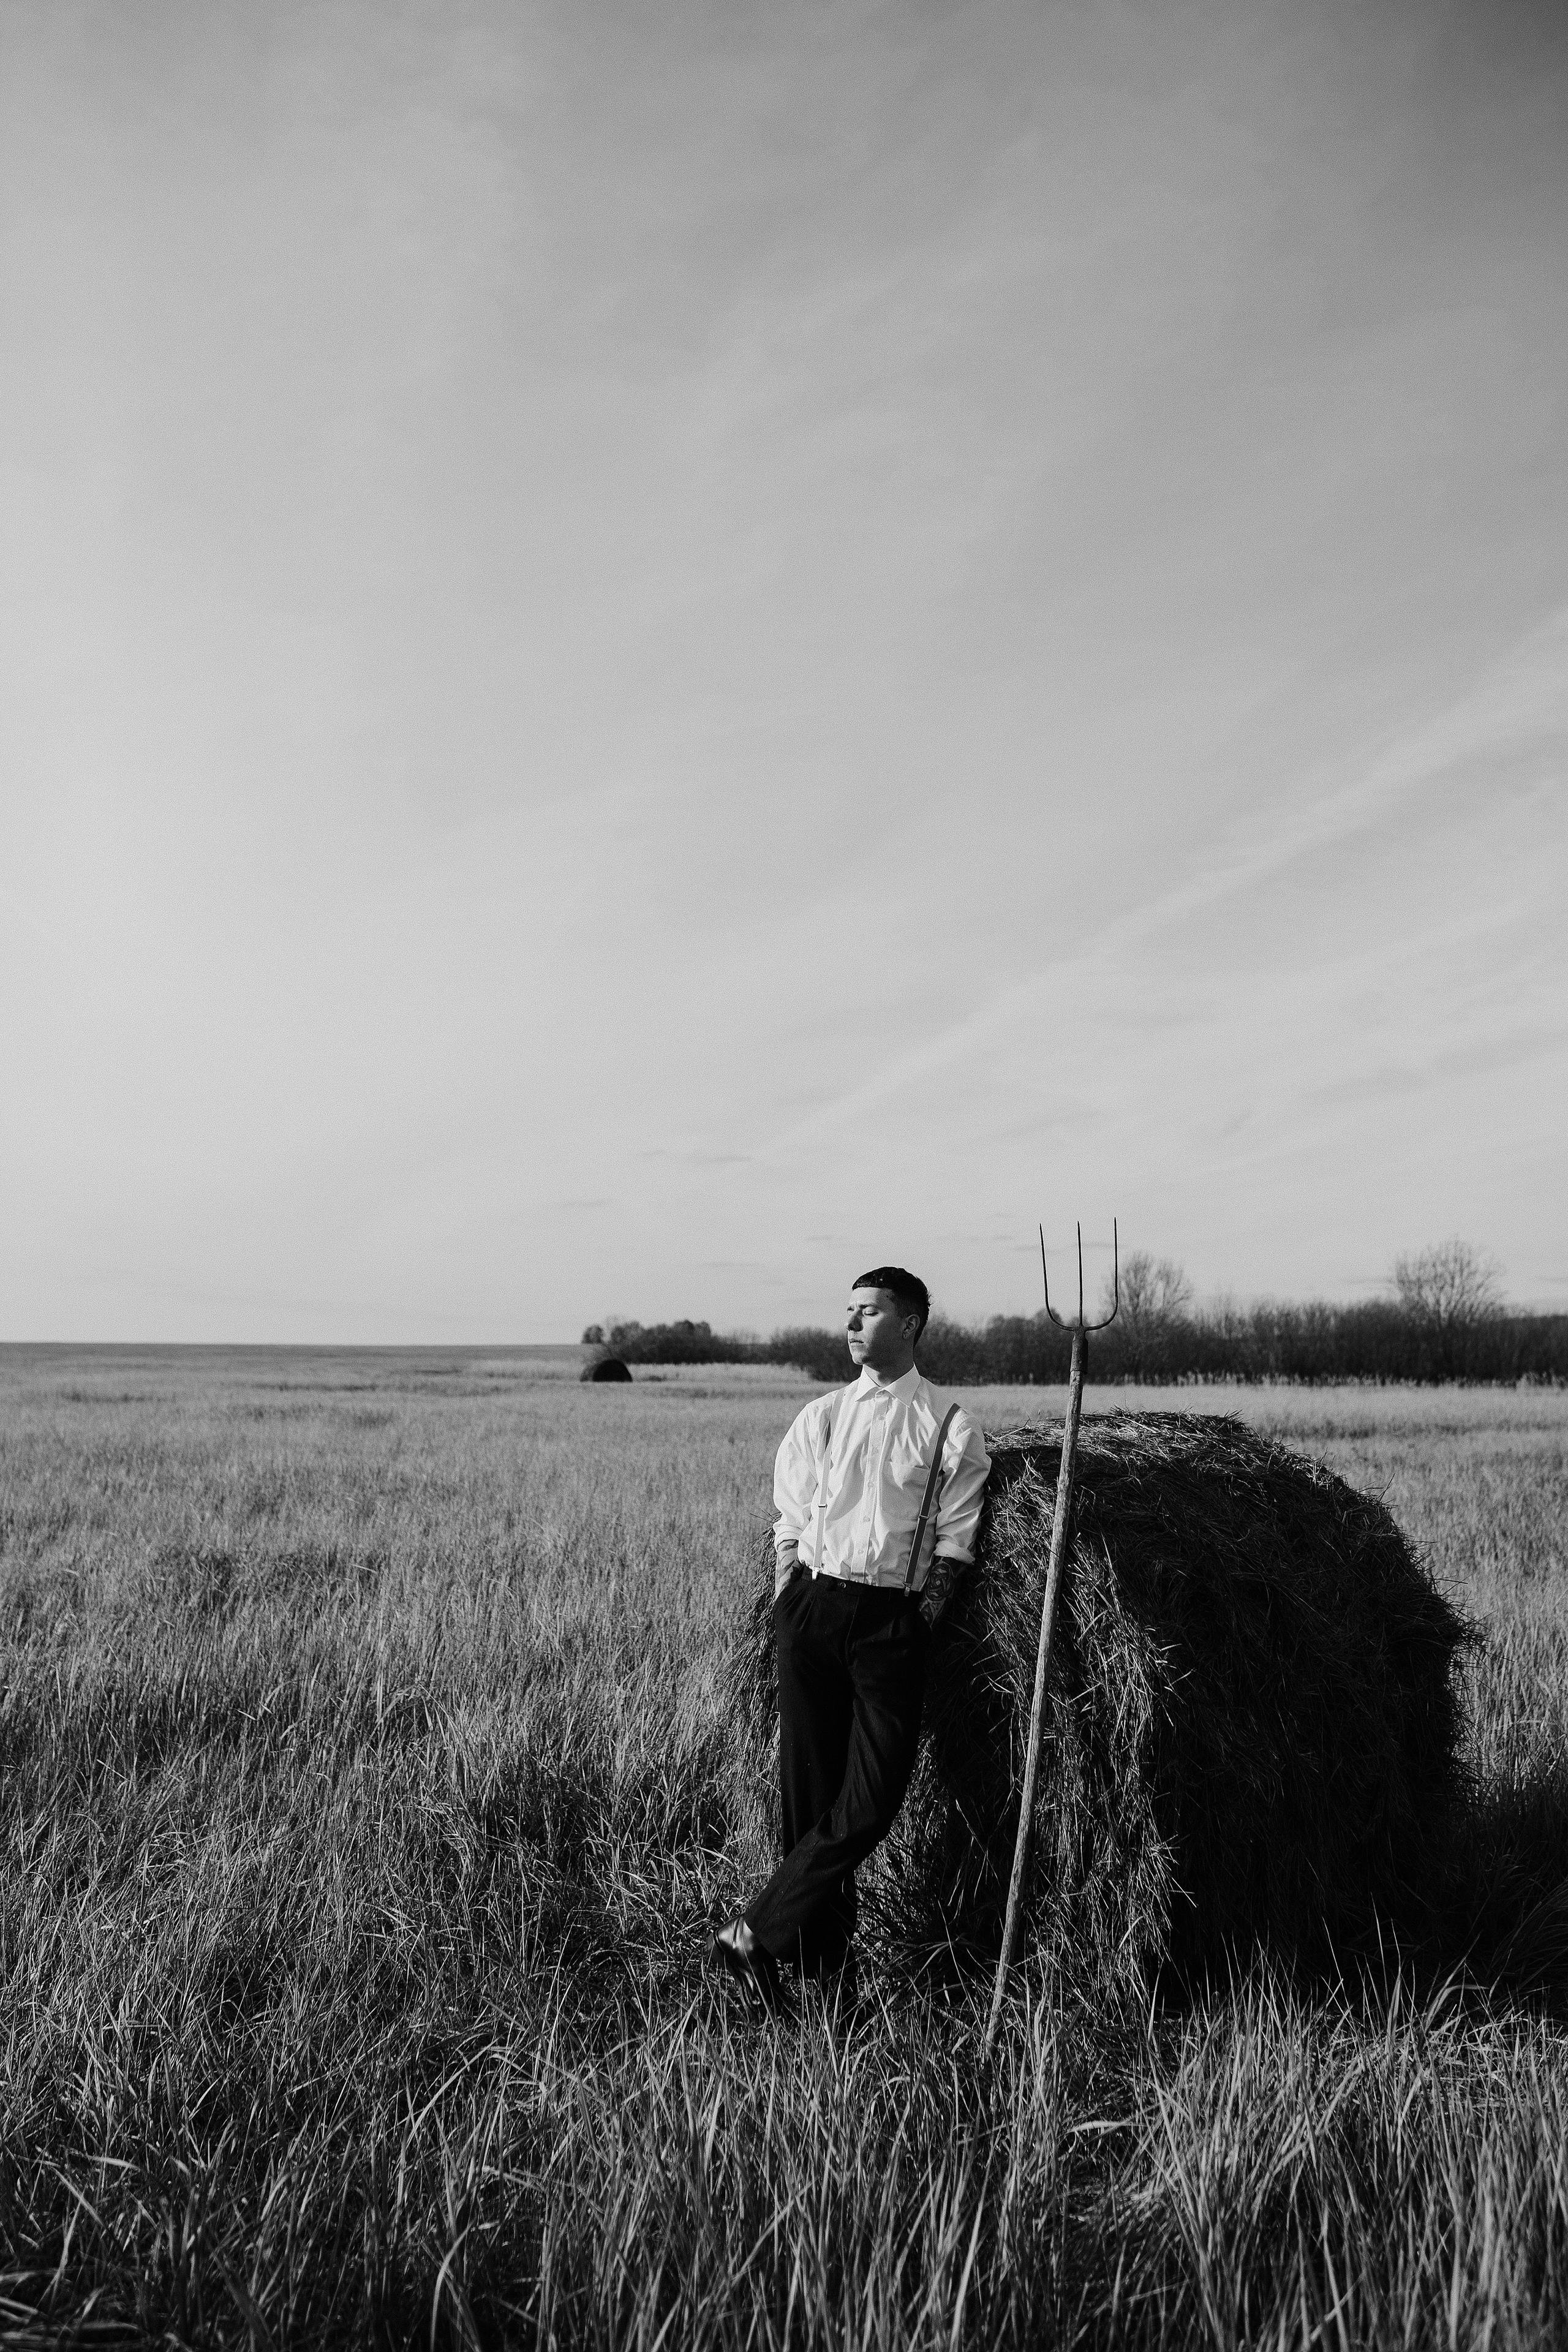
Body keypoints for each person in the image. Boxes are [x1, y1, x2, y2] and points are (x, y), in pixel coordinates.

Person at [714, 1266, 992, 2008]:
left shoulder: (949, 1426)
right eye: (848, 1312)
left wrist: (912, 1626)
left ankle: (751, 1933)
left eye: (867, 1312)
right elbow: (790, 1524)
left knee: (871, 1801)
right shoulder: (823, 1416)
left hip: (888, 1625)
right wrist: (786, 1609)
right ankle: (824, 1987)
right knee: (809, 1801)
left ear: (910, 1325)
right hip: (811, 1612)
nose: (851, 1324)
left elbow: (957, 1548)